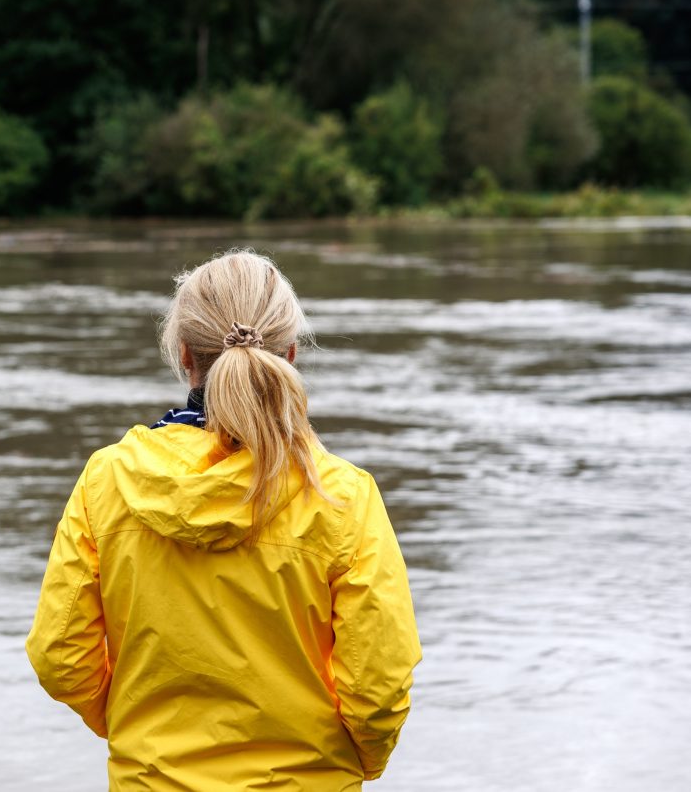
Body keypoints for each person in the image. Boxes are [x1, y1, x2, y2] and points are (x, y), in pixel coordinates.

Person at [26, 249, 422, 790]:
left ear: (185, 355)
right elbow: (378, 685)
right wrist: (355, 763)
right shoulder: (341, 497)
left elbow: (60, 657)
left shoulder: (107, 482)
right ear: (288, 354)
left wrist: (136, 729)